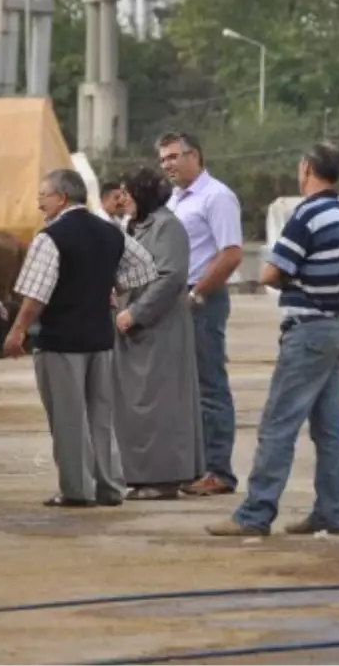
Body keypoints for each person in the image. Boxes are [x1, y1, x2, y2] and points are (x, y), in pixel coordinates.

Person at [207, 142, 339, 537]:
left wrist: (285, 275)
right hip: (338, 328)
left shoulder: (306, 214)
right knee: (329, 428)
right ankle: (332, 511)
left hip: (307, 331)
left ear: (306, 168)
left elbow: (273, 272)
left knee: (278, 424)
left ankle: (255, 515)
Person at [3, 169, 158, 508]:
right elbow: (145, 267)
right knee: (101, 418)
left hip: (60, 340)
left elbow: (36, 296)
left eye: (43, 195)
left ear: (61, 198)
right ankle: (110, 487)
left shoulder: (51, 237)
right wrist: (110, 287)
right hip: (100, 339)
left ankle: (77, 490)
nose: (39, 201)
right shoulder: (110, 232)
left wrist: (17, 331)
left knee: (68, 418)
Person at [158, 131, 244, 497]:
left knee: (209, 388)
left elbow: (231, 254)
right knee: (184, 391)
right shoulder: (175, 200)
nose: (169, 165)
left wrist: (196, 294)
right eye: (163, 160)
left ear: (197, 156)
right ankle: (193, 466)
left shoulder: (217, 197)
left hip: (203, 302)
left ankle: (219, 471)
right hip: (176, 302)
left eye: (175, 157)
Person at [114, 166, 205, 501]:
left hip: (159, 327)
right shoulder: (138, 227)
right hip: (136, 329)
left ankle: (165, 478)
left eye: (127, 191)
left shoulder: (168, 227)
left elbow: (170, 277)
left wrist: (136, 313)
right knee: (140, 405)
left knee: (162, 403)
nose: (122, 198)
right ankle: (143, 475)